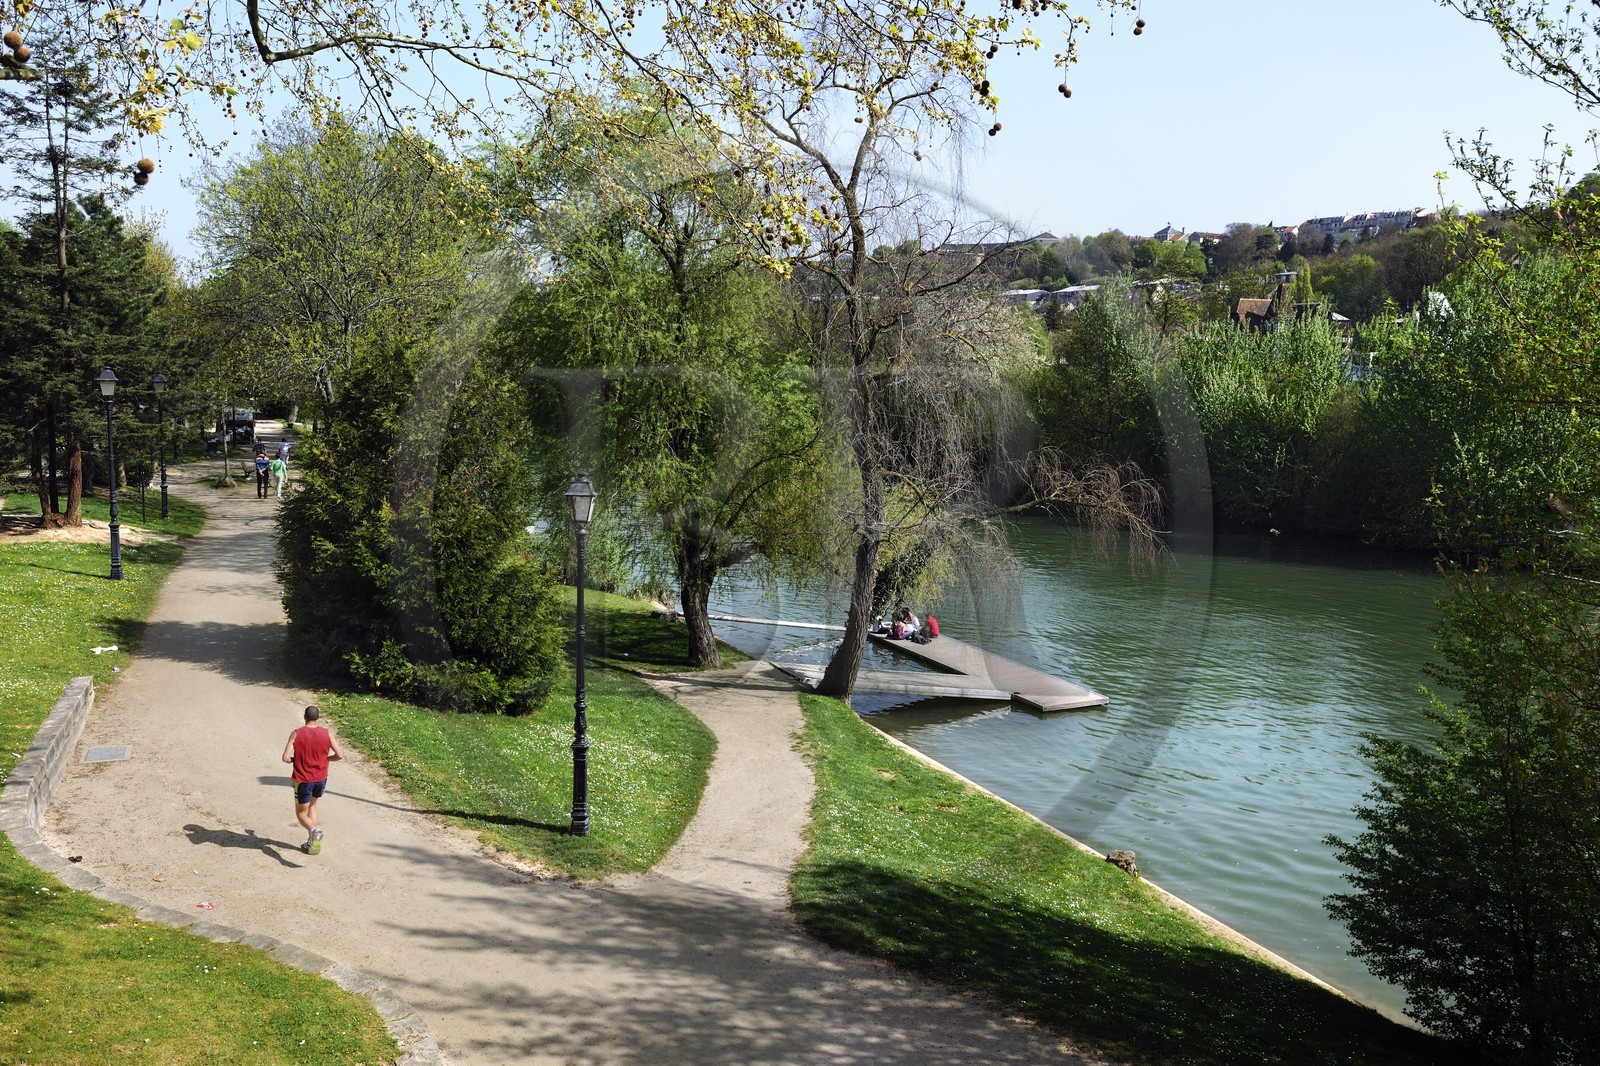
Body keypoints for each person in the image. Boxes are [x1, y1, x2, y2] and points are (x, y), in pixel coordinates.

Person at [281, 705, 344, 855]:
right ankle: (311, 842)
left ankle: (314, 831)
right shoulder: (327, 733)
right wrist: (325, 758)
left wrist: (296, 759)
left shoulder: (296, 734)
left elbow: (285, 758)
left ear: (304, 717)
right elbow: (339, 755)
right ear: (318, 718)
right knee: (312, 806)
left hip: (303, 779)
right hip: (321, 778)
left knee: (301, 813)